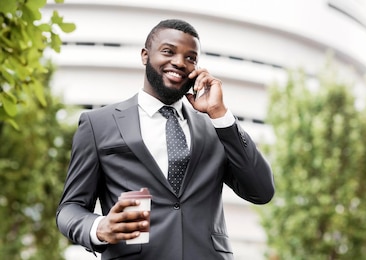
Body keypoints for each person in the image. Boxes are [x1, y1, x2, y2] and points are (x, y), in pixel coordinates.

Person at [56, 19, 275, 259]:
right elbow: (70, 208)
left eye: (191, 58)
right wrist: (100, 227)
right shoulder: (98, 124)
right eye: (168, 52)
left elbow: (261, 191)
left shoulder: (215, 127)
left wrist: (221, 116)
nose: (180, 62)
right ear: (145, 55)